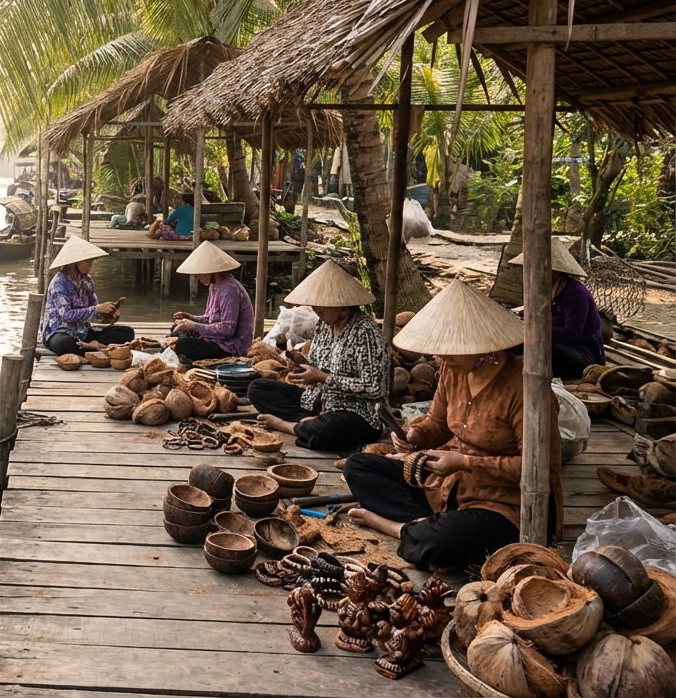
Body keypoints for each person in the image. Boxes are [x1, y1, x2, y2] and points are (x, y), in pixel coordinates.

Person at [343, 280, 564, 571]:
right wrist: (414, 436)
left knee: (441, 541)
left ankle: (400, 528)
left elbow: (536, 468)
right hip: (449, 487)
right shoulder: (452, 370)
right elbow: (438, 423)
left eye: (450, 351)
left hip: (507, 505)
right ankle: (426, 524)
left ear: (482, 346)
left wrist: (464, 462)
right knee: (358, 467)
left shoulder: (524, 389)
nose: (441, 358)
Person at [248, 262, 388, 451]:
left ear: (344, 307)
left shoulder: (366, 332)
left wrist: (324, 377)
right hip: (318, 400)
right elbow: (317, 366)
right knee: (257, 388)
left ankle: (288, 426)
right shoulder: (323, 326)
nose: (316, 310)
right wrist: (300, 363)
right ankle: (307, 423)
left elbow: (375, 388)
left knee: (328, 430)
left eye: (323, 306)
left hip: (355, 411)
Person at [508, 237, 603, 380]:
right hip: (553, 342)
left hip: (581, 353)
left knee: (539, 351)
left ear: (554, 270)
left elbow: (571, 333)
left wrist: (536, 331)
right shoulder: (545, 289)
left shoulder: (576, 293)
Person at [40, 237, 134, 356]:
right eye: (87, 261)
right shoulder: (59, 283)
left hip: (83, 331)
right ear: (75, 262)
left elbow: (94, 311)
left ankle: (89, 348)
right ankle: (96, 349)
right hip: (60, 331)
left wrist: (108, 314)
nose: (90, 264)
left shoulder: (87, 281)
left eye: (91, 261)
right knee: (65, 343)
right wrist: (97, 309)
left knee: (127, 333)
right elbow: (66, 315)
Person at [166, 242, 253, 362]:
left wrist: (195, 326)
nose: (197, 276)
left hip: (230, 345)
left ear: (212, 271)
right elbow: (210, 318)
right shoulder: (214, 286)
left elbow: (228, 329)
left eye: (200, 273)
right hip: (216, 340)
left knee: (184, 343)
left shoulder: (229, 289)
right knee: (176, 329)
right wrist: (190, 318)